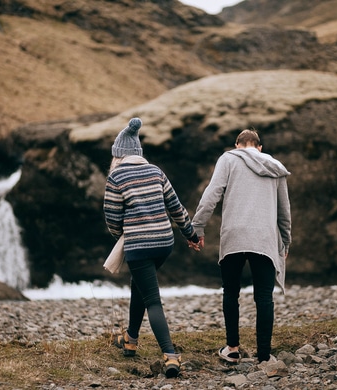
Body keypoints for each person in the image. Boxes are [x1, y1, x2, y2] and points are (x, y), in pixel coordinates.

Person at [104, 117, 200, 378]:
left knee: (152, 300)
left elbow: (112, 217)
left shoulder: (116, 176)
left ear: (119, 154)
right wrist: (190, 234)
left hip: (139, 245)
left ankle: (170, 355)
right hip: (164, 244)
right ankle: (130, 339)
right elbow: (176, 207)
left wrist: (123, 237)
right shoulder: (156, 171)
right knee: (141, 285)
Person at [191, 129, 291, 364]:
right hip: (264, 238)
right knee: (264, 297)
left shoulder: (228, 159)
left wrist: (197, 228)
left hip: (234, 235)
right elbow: (284, 210)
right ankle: (264, 356)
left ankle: (232, 349)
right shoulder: (275, 166)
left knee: (231, 292)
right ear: (259, 147)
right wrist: (285, 240)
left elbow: (211, 194)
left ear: (237, 145)